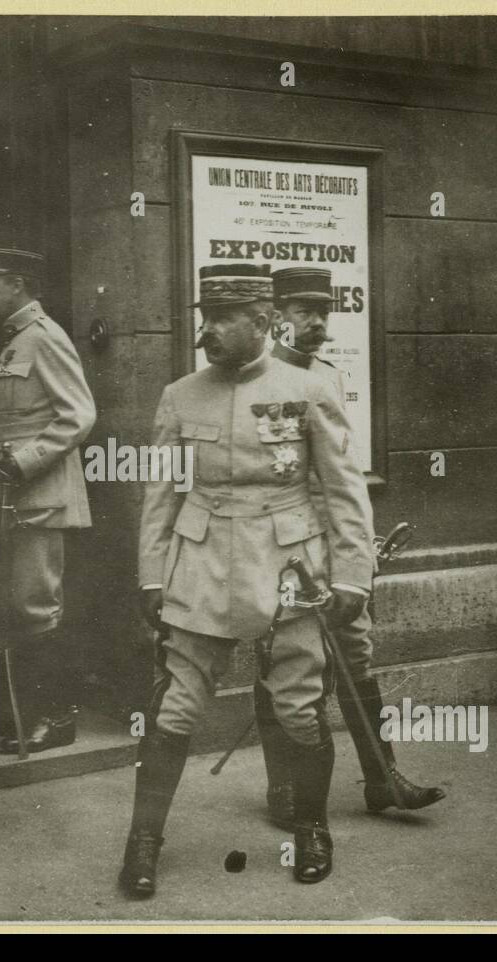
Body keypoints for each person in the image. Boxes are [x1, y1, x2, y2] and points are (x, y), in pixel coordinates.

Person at [121, 263, 375, 897]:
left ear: (262, 322)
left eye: (221, 319)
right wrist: (153, 576)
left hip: (288, 564)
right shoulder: (181, 395)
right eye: (204, 317)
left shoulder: (309, 390)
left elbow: (345, 492)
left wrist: (352, 576)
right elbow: (159, 495)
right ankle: (144, 842)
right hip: (201, 565)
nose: (206, 330)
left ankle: (313, 830)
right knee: (176, 708)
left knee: (298, 705)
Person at [255, 266, 441, 829]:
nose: (316, 322)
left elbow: (343, 481)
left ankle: (383, 778)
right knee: (281, 664)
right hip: (277, 549)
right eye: (302, 311)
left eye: (323, 311)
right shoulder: (252, 381)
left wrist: (357, 558)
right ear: (274, 316)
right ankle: (283, 787)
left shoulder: (328, 378)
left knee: (356, 654)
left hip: (332, 550)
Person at [0, 246, 96, 754]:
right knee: (19, 607)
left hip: (40, 494)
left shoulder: (45, 339)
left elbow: (79, 414)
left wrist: (25, 461)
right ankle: (27, 712)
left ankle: (56, 717)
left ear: (19, 284)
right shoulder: (14, 342)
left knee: (37, 607)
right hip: (12, 496)